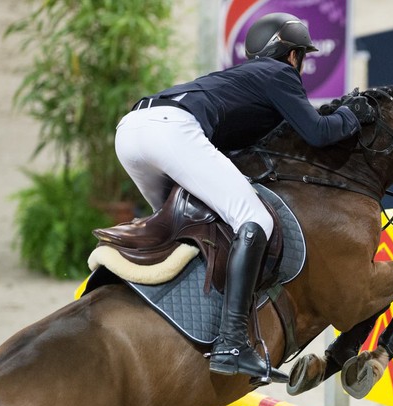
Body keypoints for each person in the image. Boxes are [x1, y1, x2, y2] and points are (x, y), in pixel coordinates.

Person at [113, 12, 376, 382]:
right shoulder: (278, 74)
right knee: (255, 221)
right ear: (291, 55)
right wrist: (352, 114)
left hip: (131, 131)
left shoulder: (244, 80)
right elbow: (317, 132)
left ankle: (166, 311)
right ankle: (231, 342)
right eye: (303, 57)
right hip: (171, 132)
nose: (301, 66)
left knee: (182, 224)